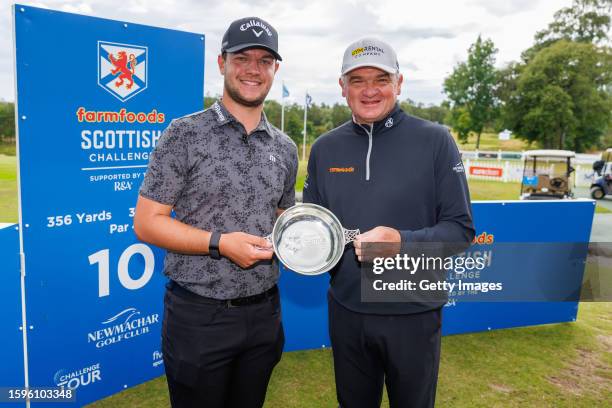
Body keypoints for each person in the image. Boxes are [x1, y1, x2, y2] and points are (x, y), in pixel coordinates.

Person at [134, 17, 298, 408]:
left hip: (264, 314)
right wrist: (220, 244)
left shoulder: (287, 148)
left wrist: (301, 241)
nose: (253, 69)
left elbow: (282, 219)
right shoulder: (183, 133)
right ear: (222, 62)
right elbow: (147, 222)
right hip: (199, 317)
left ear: (275, 69)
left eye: (264, 60)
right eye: (242, 57)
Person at [303, 38, 474, 407]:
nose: (369, 90)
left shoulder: (436, 141)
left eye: (380, 79)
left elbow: (460, 232)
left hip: (414, 313)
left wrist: (401, 242)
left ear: (399, 83)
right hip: (347, 312)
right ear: (342, 87)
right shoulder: (324, 148)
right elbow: (316, 230)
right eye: (358, 80)